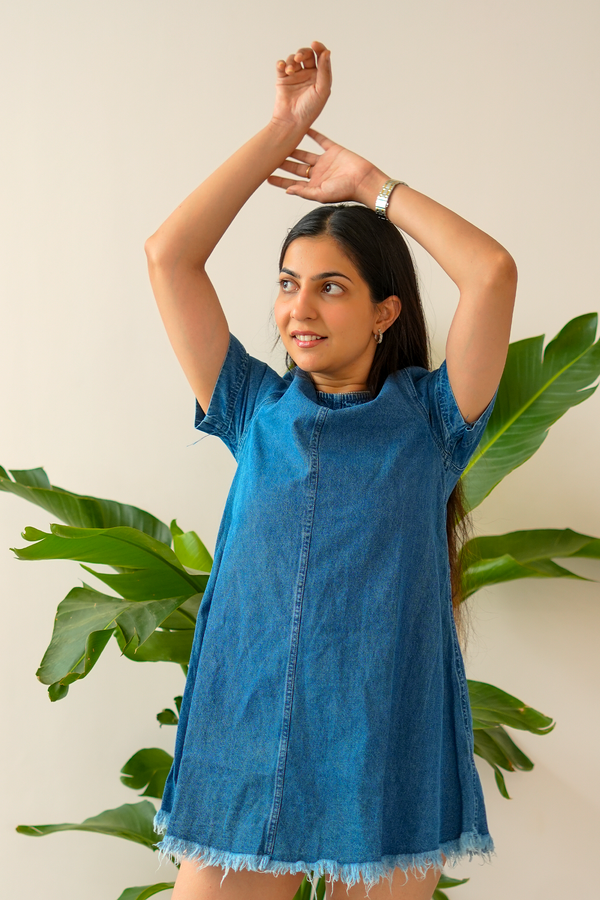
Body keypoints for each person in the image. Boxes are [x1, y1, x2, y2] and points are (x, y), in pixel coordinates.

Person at [144, 40, 517, 900]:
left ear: (387, 311)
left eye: (331, 287)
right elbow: (169, 254)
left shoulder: (432, 418)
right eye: (287, 283)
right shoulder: (252, 406)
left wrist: (371, 185)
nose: (296, 308)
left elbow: (490, 271)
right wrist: (284, 129)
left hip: (386, 737)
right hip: (248, 732)